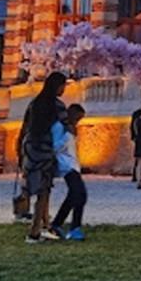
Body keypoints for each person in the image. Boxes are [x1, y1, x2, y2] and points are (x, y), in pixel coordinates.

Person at [23, 72, 67, 243]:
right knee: (44, 190)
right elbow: (66, 126)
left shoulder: (35, 104)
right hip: (46, 150)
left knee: (38, 188)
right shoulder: (57, 106)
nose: (64, 89)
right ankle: (34, 231)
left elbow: (25, 126)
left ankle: (44, 225)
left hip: (31, 148)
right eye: (63, 86)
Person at [49, 103, 88, 241]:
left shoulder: (69, 129)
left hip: (73, 165)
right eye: (77, 119)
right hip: (66, 166)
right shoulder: (59, 128)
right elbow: (54, 147)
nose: (77, 122)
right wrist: (67, 136)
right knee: (79, 194)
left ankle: (58, 224)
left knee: (75, 195)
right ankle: (74, 227)